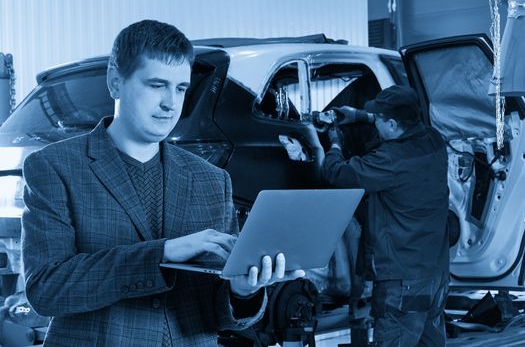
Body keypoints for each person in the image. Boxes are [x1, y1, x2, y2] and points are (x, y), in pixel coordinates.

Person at [21, 20, 303, 347]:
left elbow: (221, 313)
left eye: (180, 88)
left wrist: (244, 290)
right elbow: (47, 290)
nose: (171, 103)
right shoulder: (55, 167)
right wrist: (164, 253)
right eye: (157, 85)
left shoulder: (212, 180)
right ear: (115, 82)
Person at [321, 85, 450, 346]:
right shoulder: (434, 141)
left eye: (379, 119)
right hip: (435, 275)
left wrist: (334, 141)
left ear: (392, 124)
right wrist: (359, 116)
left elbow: (338, 174)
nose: (375, 122)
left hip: (403, 281)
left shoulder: (390, 160)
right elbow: (392, 123)